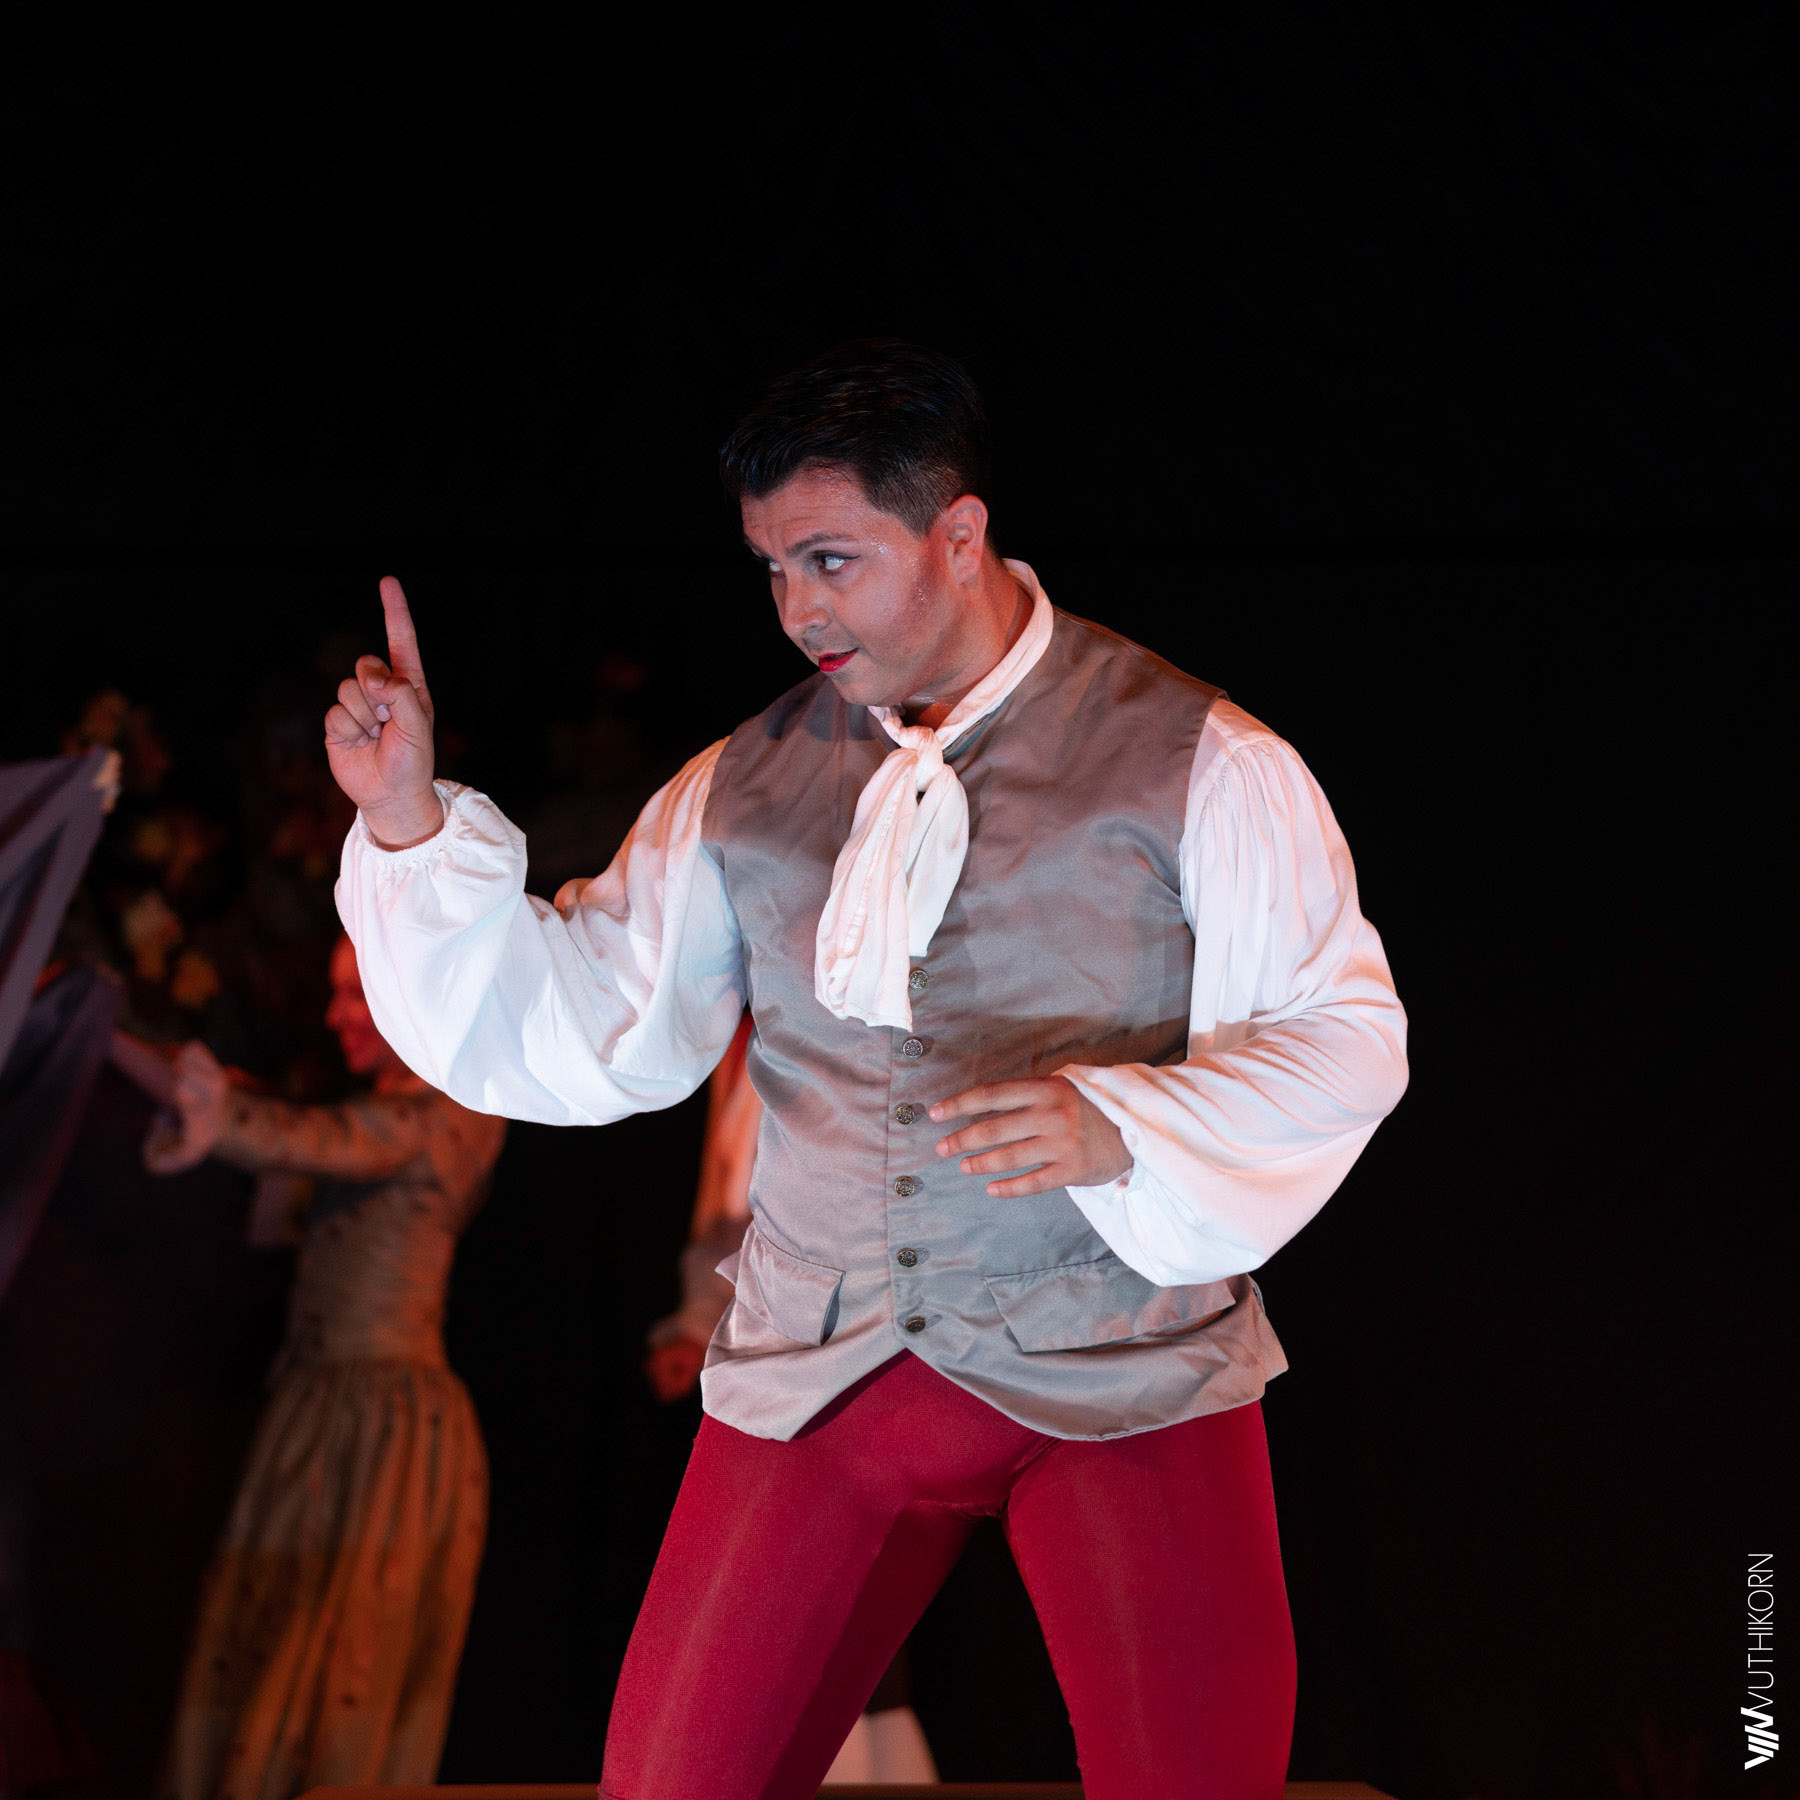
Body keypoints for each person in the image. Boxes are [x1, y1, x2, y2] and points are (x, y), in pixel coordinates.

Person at [328, 341, 1409, 1800]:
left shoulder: (1198, 758)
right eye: (773, 569)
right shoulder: (746, 781)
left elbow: (1342, 1033)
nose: (799, 609)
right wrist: (408, 825)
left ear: (958, 533)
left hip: (1125, 1365)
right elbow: (587, 1021)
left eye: (831, 560)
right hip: (825, 1366)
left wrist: (1123, 1123)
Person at [138, 934, 505, 1800]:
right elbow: (287, 1202)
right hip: (321, 1408)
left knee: (336, 1658)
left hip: (385, 1427)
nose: (337, 1016)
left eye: (358, 994)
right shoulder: (379, 1107)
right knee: (264, 1643)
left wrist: (209, 1104)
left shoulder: (452, 1111)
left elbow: (331, 1141)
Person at [643, 1012, 938, 1787]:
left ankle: (853, 1759)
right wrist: (693, 1325)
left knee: (844, 1573)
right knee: (791, 1579)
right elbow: (723, 1216)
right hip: (777, 1344)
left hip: (861, 1333)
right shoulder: (736, 1052)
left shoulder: (856, 1019)